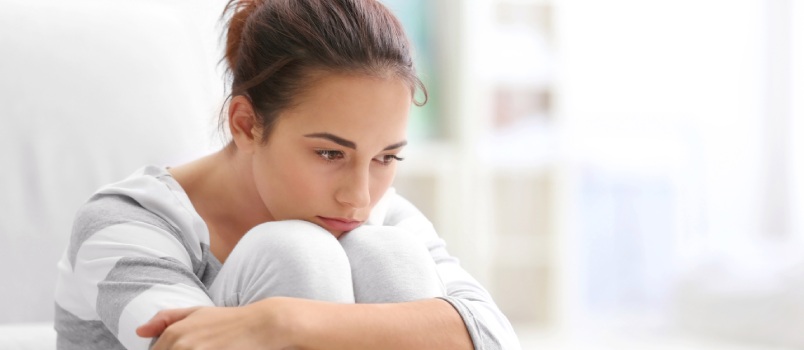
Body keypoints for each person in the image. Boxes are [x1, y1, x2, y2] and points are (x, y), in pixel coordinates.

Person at [54, 0, 520, 349]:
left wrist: (282, 321)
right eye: (329, 153)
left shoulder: (380, 214)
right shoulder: (127, 221)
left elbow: (492, 335)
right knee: (294, 252)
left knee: (387, 252)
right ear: (246, 124)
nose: (359, 198)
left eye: (385, 158)